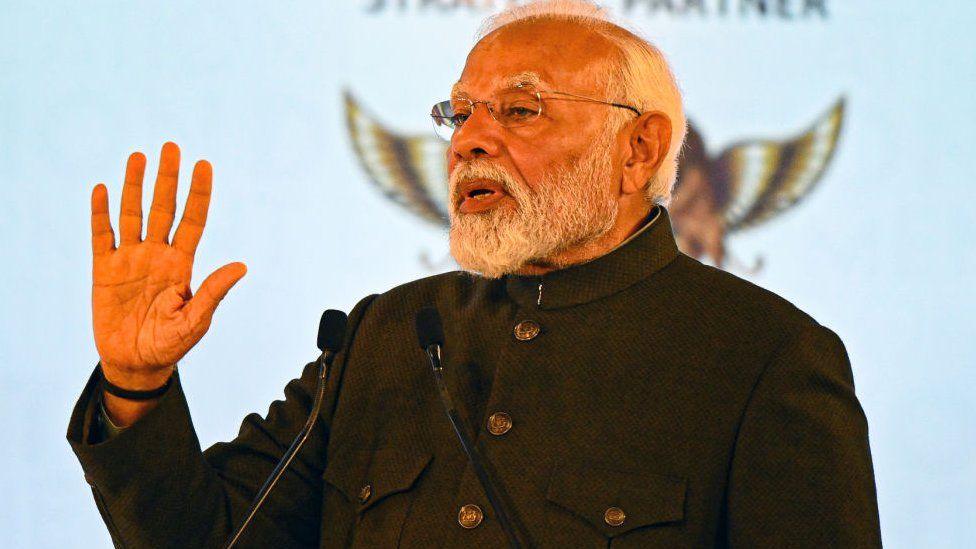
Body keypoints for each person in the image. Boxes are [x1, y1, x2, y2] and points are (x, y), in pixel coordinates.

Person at [67, 1, 882, 547]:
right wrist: (134, 384)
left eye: (520, 109)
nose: (468, 140)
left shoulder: (765, 357)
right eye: (460, 112)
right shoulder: (387, 332)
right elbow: (214, 536)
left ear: (637, 149)